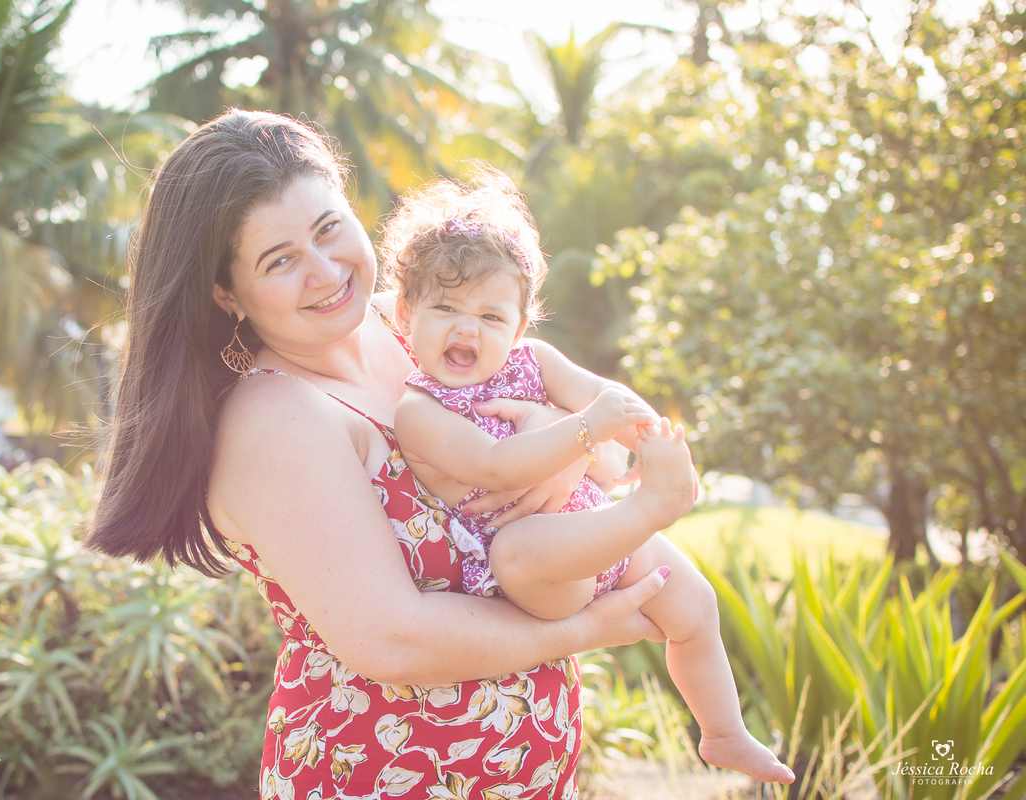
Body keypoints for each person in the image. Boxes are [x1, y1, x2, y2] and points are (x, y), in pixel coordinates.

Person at [86, 108, 728, 800]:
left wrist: (564, 449)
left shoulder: (419, 325)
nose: (326, 272)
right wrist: (588, 627)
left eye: (330, 228)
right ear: (226, 294)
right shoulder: (273, 418)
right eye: (280, 261)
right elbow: (393, 641)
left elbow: (573, 423)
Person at [383, 169, 796, 786]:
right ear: (405, 312)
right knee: (520, 550)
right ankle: (653, 509)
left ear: (520, 327)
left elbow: (606, 396)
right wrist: (585, 432)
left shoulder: (536, 362)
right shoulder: (419, 409)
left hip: (598, 521)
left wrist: (650, 439)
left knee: (695, 604)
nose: (468, 329)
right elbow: (493, 467)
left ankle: (724, 733)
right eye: (446, 308)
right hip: (534, 562)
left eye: (492, 317)